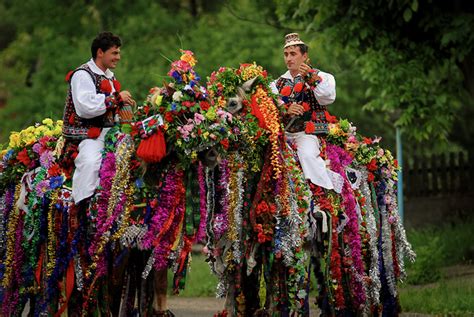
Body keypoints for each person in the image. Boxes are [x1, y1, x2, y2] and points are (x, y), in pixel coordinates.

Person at [62, 31, 135, 204]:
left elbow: (109, 108)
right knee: (90, 162)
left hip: (109, 131)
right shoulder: (82, 74)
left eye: (119, 53)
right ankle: (83, 207)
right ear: (100, 52)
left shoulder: (109, 76)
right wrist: (117, 98)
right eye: (114, 53)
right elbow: (85, 107)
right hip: (88, 133)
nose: (118, 57)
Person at [270, 33, 342, 192]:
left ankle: (324, 192)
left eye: (293, 54)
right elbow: (269, 109)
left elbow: (327, 98)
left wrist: (310, 77)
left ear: (305, 56)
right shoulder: (276, 83)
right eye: (286, 54)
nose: (289, 58)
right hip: (285, 134)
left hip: (308, 133)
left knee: (307, 155)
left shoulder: (322, 76)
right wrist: (285, 109)